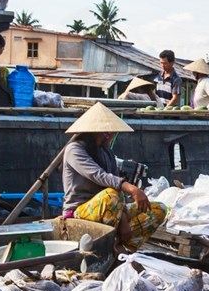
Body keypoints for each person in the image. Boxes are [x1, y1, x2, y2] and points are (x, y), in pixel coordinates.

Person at [62, 103, 165, 251]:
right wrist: (132, 189)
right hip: (79, 212)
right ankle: (108, 247)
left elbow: (116, 189)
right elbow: (98, 175)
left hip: (112, 207)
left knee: (158, 209)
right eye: (105, 131)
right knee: (111, 195)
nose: (109, 135)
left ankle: (123, 247)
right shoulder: (75, 149)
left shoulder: (106, 153)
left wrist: (123, 220)